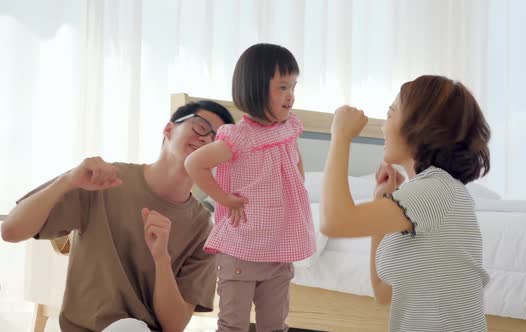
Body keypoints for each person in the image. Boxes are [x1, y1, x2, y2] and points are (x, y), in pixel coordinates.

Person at [1, 100, 235, 332]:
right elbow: (10, 230)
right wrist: (68, 180)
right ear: (169, 129)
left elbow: (174, 326)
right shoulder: (104, 180)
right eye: (201, 127)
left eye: (218, 140)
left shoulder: (205, 229)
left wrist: (161, 259)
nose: (207, 139)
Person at [321, 75, 491, 332]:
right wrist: (381, 199)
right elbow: (383, 292)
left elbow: (334, 223)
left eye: (390, 114)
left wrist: (340, 136)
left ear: (419, 125)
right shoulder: (425, 196)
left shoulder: (436, 189)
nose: (382, 127)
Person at [185, 43, 315, 332]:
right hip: (242, 250)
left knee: (275, 324)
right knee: (233, 325)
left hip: (278, 250)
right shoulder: (239, 137)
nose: (291, 95)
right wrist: (223, 199)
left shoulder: (288, 127)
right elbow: (195, 163)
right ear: (255, 88)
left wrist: (298, 183)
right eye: (282, 87)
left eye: (293, 86)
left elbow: (294, 159)